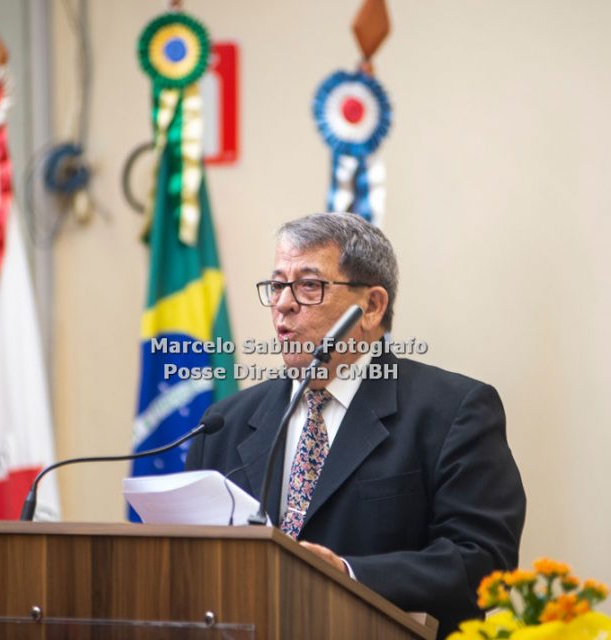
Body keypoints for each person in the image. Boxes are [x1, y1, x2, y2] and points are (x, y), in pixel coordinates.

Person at [186, 212, 525, 639]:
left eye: (309, 285)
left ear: (372, 306)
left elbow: (484, 561)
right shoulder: (224, 423)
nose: (284, 304)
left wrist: (346, 573)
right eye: (276, 286)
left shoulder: (453, 411)